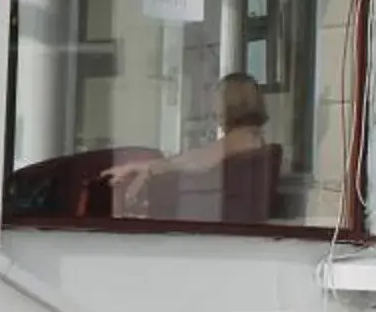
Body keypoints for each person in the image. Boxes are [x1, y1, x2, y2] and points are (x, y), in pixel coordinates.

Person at [102, 73, 281, 222]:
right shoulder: (253, 138)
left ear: (231, 104)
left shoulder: (238, 141)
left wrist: (150, 170)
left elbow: (197, 161)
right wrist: (139, 167)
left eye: (218, 102)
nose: (214, 111)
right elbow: (195, 158)